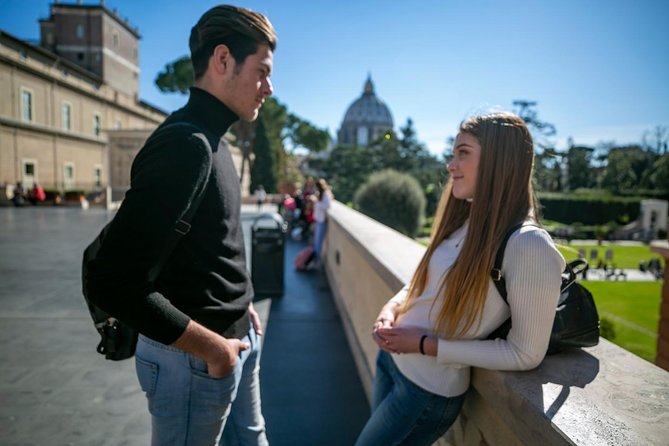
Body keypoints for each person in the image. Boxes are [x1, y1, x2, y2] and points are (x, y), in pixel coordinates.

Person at [86, 5, 276, 445]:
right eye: (262, 71)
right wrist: (215, 350)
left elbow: (213, 241)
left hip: (233, 342)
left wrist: (240, 303)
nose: (269, 87)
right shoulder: (184, 146)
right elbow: (112, 280)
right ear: (223, 60)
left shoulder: (212, 139)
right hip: (194, 361)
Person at [355, 112, 565, 446]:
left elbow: (525, 353)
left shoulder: (528, 244)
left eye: (463, 153)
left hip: (425, 391)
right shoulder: (465, 221)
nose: (450, 165)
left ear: (499, 162)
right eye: (453, 154)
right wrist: (391, 308)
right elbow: (420, 284)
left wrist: (425, 345)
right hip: (392, 362)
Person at [312, 178, 333, 266]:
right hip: (319, 219)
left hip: (322, 220)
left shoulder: (325, 194)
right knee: (316, 241)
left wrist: (317, 203)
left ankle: (316, 260)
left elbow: (328, 205)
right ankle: (315, 259)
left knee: (318, 241)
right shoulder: (320, 194)